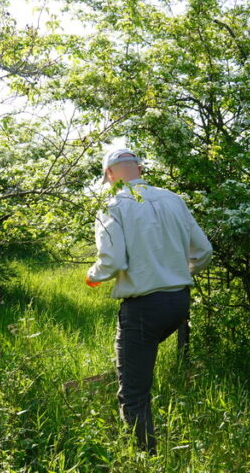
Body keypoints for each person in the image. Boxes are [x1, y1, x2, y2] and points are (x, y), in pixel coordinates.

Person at [86, 147, 212, 454]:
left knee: (133, 392)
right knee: (135, 364)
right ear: (140, 170)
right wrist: (175, 272)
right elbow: (204, 251)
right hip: (179, 303)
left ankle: (145, 462)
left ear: (109, 175)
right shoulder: (174, 199)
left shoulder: (113, 205)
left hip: (143, 309)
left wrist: (92, 276)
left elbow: (111, 261)